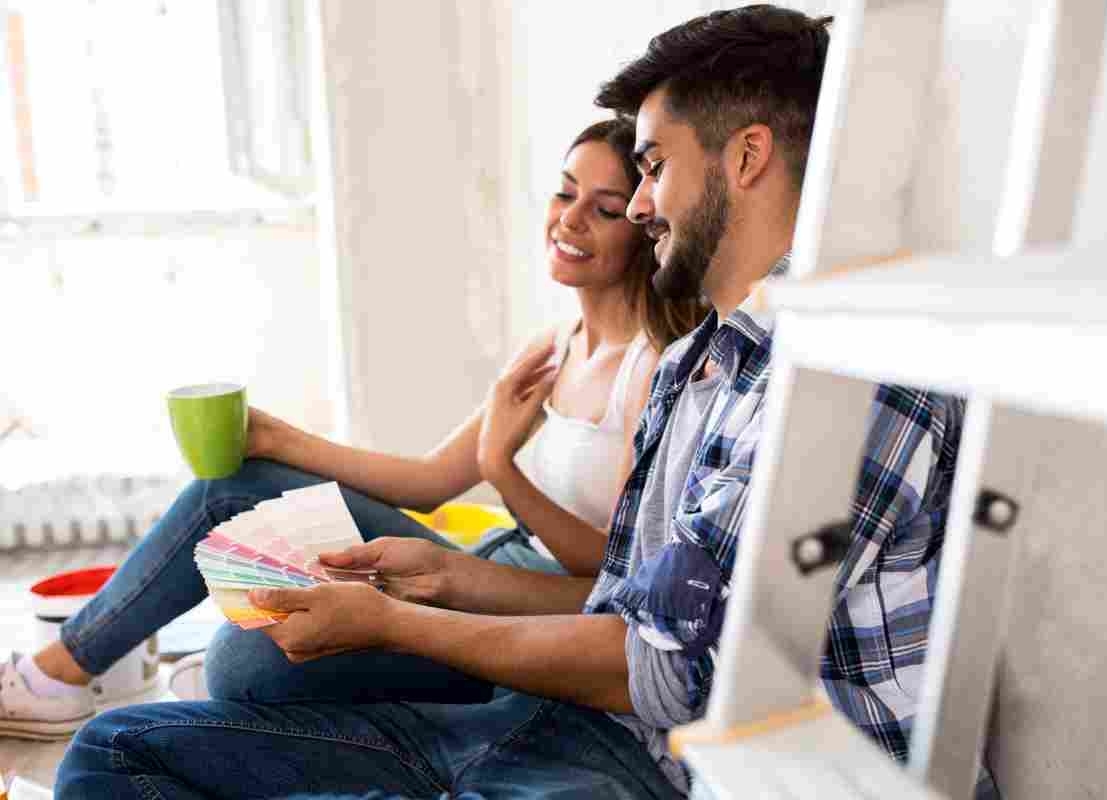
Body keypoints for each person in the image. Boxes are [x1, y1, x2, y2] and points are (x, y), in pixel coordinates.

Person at [58, 6, 970, 798]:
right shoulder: (705, 363)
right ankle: (69, 680)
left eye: (650, 170)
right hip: (559, 715)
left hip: (658, 765)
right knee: (111, 754)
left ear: (747, 156)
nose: (639, 203)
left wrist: (400, 620)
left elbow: (659, 670)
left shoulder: (850, 382)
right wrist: (443, 575)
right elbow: (615, 601)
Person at [0, 117, 705, 740]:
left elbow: (613, 576)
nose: (570, 218)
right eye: (564, 192)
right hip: (486, 560)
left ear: (643, 228)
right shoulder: (555, 344)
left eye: (605, 209)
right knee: (234, 488)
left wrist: (503, 468)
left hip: (537, 619)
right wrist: (283, 442)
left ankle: (81, 676)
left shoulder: (650, 370)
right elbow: (430, 484)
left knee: (237, 662)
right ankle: (61, 672)